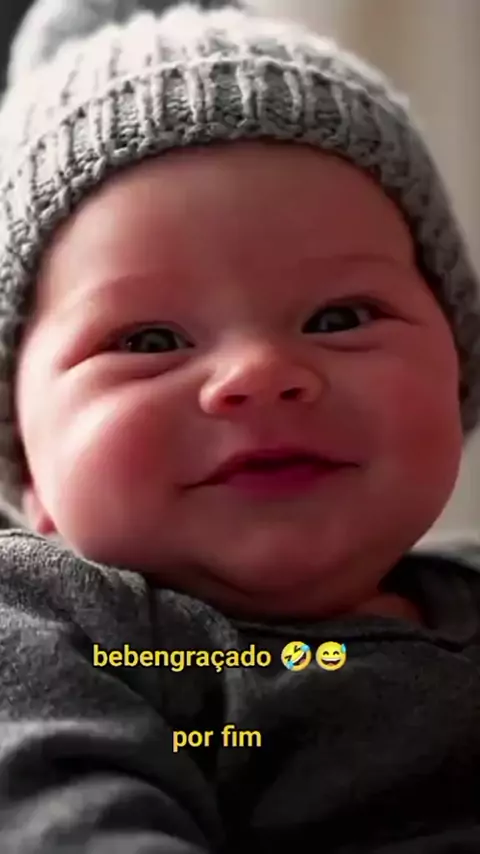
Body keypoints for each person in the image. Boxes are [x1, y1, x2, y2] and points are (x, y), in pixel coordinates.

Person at [0, 0, 480, 850]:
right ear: (26, 457)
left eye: (339, 317)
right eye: (150, 341)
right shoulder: (59, 629)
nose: (260, 374)